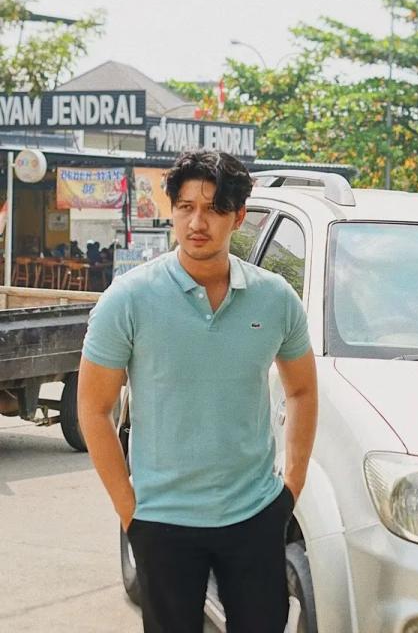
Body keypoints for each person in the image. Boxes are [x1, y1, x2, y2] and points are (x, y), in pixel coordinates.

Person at [78, 150, 318, 633]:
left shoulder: (275, 299)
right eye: (186, 207)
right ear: (172, 211)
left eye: (213, 209)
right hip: (162, 522)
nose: (197, 222)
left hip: (254, 515)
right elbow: (94, 408)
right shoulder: (128, 299)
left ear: (239, 217)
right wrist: (130, 512)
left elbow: (302, 391)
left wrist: (290, 488)